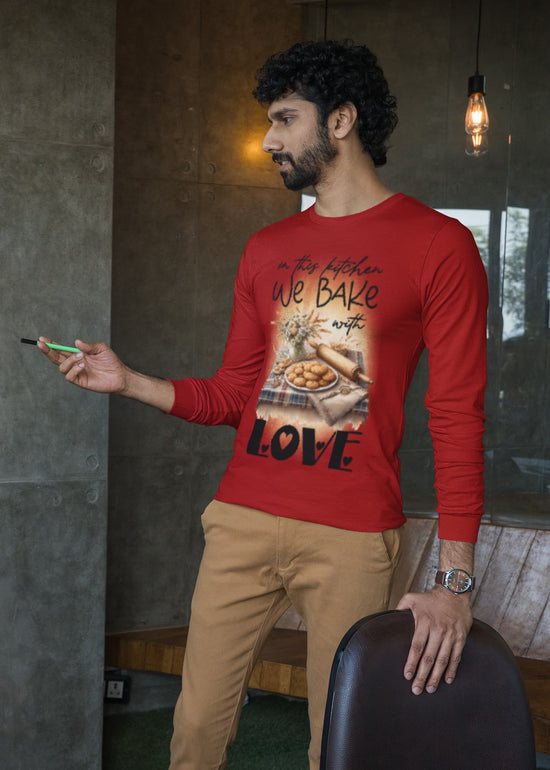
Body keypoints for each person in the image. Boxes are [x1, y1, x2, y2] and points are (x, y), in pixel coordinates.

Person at [40, 40, 487, 770]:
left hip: (350, 535)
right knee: (193, 738)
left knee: (340, 747)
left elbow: (458, 414)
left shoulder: (440, 245)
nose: (269, 139)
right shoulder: (266, 248)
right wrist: (130, 381)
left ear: (340, 120)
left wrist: (454, 583)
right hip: (242, 519)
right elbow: (235, 394)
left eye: (284, 120)